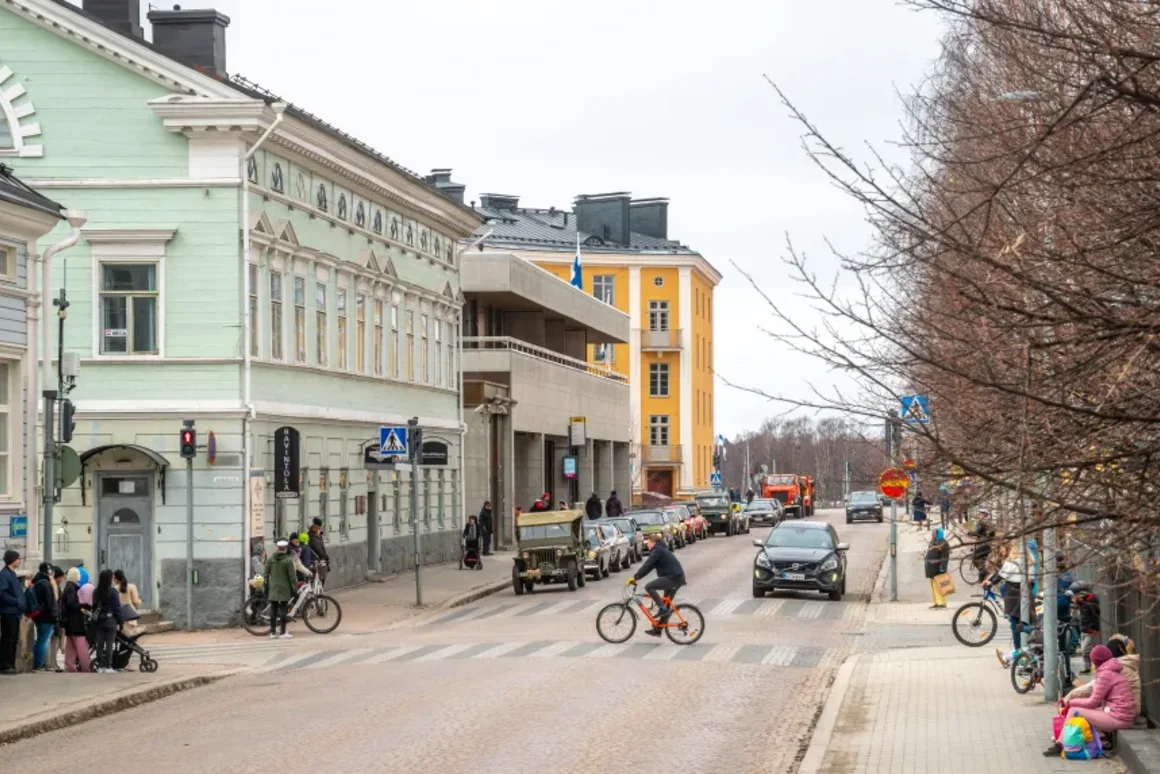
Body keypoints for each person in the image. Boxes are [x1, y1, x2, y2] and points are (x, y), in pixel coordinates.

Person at [1045, 644, 1137, 756]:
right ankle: (1069, 741)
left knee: (1074, 711)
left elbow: (1093, 702)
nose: (1091, 664)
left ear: (1096, 662)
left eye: (1092, 661)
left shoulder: (1105, 675)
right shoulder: (1112, 671)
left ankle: (1060, 744)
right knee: (1084, 711)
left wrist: (1071, 702)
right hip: (1122, 715)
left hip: (1119, 718)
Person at [625, 531, 686, 637]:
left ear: (652, 542)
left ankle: (662, 609)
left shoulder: (657, 550)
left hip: (673, 578)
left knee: (649, 587)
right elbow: (649, 567)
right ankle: (658, 629)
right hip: (675, 577)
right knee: (666, 605)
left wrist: (635, 577)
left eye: (647, 542)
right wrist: (637, 577)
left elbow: (648, 565)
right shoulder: (659, 549)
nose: (646, 545)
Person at [1064, 635, 1140, 714]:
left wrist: (1068, 699)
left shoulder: (1115, 668)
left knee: (1074, 711)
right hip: (1127, 709)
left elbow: (1091, 690)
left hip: (1122, 711)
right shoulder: (1125, 663)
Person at [264, 538, 298, 640]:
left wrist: (266, 584)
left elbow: (266, 573)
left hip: (273, 587)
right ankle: (283, 632)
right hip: (284, 588)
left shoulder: (270, 559)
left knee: (273, 610)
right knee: (283, 609)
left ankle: (273, 632)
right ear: (285, 549)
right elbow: (292, 577)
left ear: (277, 548)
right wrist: (295, 587)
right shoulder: (288, 560)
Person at [91, 569, 123, 673]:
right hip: (111, 620)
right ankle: (108, 666)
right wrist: (120, 621)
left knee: (99, 644)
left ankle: (100, 666)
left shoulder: (96, 591)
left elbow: (94, 607)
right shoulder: (113, 591)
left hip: (99, 620)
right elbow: (117, 608)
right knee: (109, 644)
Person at [59, 567, 91, 673]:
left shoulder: (67, 587)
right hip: (76, 621)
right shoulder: (72, 588)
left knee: (70, 646)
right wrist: (83, 605)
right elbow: (71, 604)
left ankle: (70, 667)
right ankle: (86, 667)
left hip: (69, 622)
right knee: (82, 645)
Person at [30, 562, 59, 672]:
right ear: (48, 571)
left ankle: (39, 662)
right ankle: (39, 663)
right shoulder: (46, 584)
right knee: (43, 640)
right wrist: (55, 618)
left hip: (38, 615)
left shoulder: (36, 582)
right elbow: (51, 603)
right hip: (47, 616)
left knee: (41, 639)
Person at [0, 549, 24, 675]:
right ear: (12, 560)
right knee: (8, 639)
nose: (19, 560)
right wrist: (16, 601)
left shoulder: (12, 574)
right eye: (18, 558)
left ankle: (11, 664)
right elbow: (2, 593)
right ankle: (6, 665)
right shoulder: (4, 574)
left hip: (15, 612)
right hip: (8, 611)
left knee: (14, 639)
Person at [1072, 582, 1101, 674]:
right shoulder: (1083, 603)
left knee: (1085, 650)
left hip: (1091, 630)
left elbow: (1095, 611)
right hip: (1084, 629)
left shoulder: (1092, 604)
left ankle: (1094, 666)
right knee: (1086, 650)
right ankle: (1088, 667)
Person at [925, 528, 950, 609]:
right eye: (932, 533)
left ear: (939, 534)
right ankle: (936, 602)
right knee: (933, 586)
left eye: (934, 533)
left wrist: (942, 568)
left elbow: (944, 557)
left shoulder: (943, 543)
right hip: (931, 568)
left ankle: (941, 603)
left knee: (939, 586)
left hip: (938, 568)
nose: (933, 535)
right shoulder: (932, 542)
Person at [308, 518, 330, 586]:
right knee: (319, 580)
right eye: (319, 528)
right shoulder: (314, 538)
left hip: (319, 562)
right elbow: (319, 550)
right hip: (317, 562)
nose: (320, 529)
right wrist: (326, 557)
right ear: (316, 528)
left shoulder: (318, 536)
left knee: (321, 579)